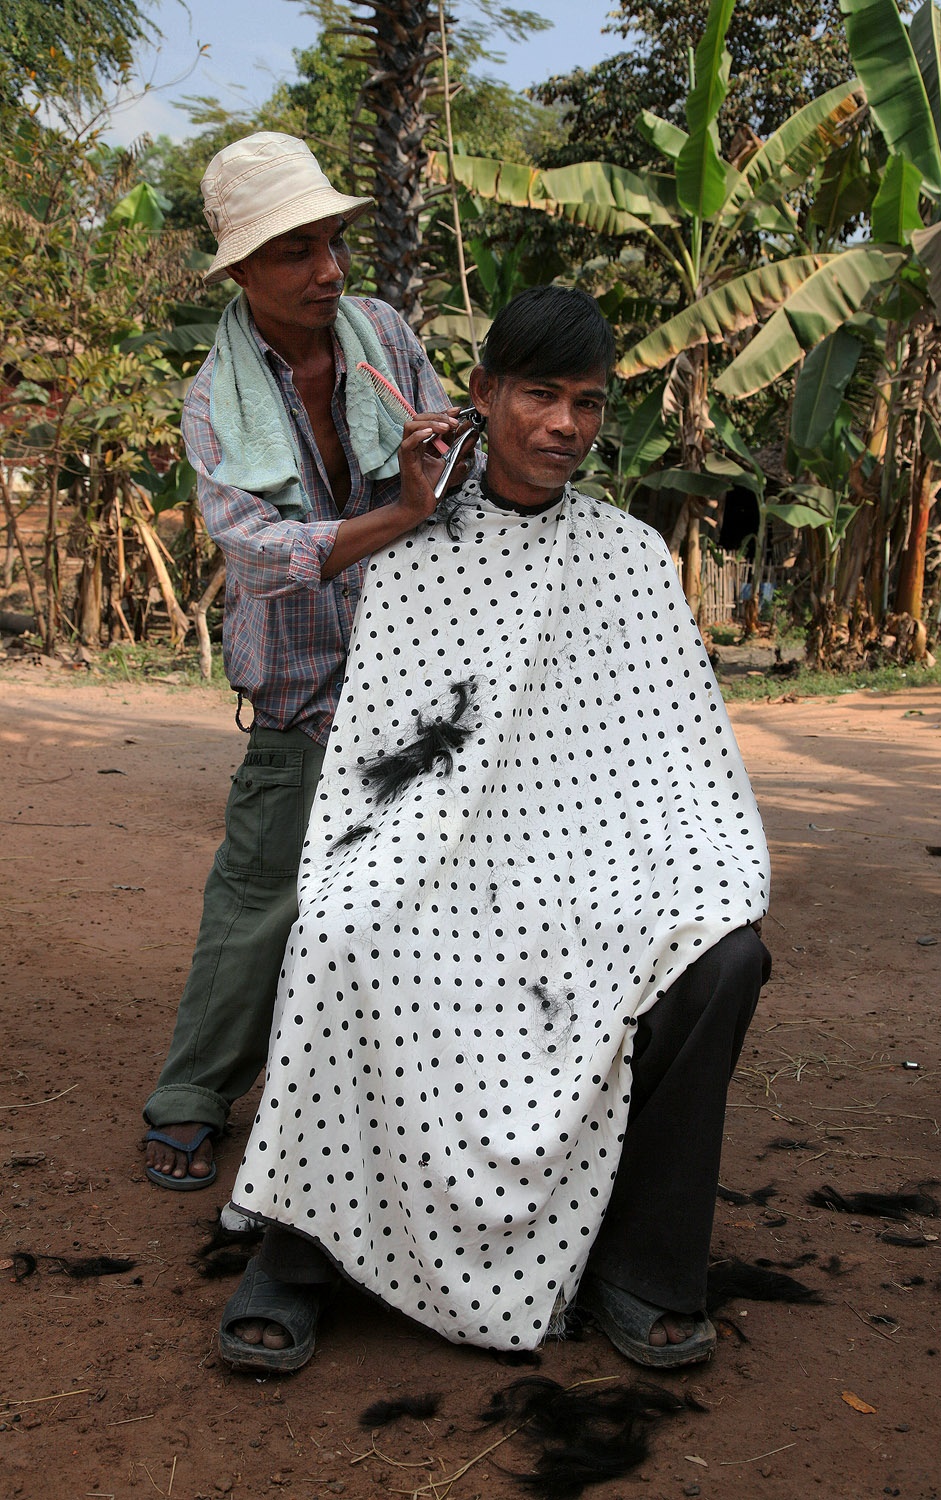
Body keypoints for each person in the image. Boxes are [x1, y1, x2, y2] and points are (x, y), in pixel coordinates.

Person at [217, 285, 771, 1373]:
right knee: (339, 934)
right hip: (436, 861)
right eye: (539, 395)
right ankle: (296, 1254)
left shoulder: (627, 558)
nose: (564, 424)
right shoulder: (416, 551)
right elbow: (387, 759)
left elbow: (675, 761)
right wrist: (408, 860)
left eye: (587, 402)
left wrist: (675, 873)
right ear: (480, 394)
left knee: (725, 955)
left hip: (594, 869)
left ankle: (643, 1264)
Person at [143, 132, 478, 1190]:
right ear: (240, 271)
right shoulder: (212, 400)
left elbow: (449, 477)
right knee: (259, 900)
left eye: (332, 242)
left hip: (417, 680)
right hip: (297, 693)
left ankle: (425, 1113)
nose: (328, 270)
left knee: (427, 902)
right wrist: (404, 509)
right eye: (296, 251)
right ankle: (191, 1096)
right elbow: (259, 550)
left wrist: (446, 446)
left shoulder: (381, 331)